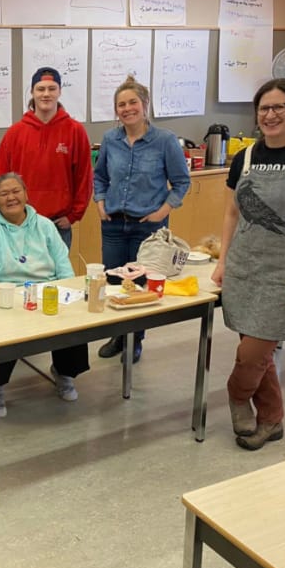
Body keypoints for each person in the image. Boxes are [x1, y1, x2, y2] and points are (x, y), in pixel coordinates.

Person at [211, 78, 285, 450]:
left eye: (279, 107)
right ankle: (272, 421)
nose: (271, 115)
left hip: (284, 274)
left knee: (252, 355)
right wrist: (223, 261)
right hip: (244, 268)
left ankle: (237, 396)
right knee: (258, 355)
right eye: (264, 108)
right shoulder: (244, 157)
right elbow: (231, 214)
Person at [0, 172, 90, 417]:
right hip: (6, 295)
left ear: (25, 194)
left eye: (16, 191)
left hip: (48, 291)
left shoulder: (44, 225)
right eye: (3, 194)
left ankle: (64, 373)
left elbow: (62, 263)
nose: (11, 197)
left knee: (74, 322)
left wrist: (67, 290)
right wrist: (0, 301)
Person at [94, 75, 190, 363]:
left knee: (141, 285)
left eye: (132, 102)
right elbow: (99, 175)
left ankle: (135, 340)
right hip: (113, 224)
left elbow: (182, 182)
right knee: (113, 280)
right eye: (121, 104)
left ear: (145, 105)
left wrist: (162, 212)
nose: (127, 109)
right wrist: (99, 202)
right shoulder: (111, 139)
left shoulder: (164, 141)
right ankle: (117, 335)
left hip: (147, 227)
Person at [0, 67, 93, 249]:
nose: (46, 94)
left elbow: (84, 178)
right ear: (32, 92)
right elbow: (2, 179)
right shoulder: (15, 133)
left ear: (59, 91)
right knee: (22, 276)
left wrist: (73, 216)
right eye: (40, 89)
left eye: (52, 88)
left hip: (58, 225)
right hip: (21, 223)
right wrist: (7, 214)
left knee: (58, 277)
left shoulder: (75, 131)